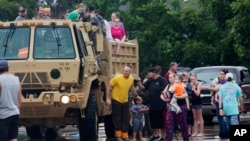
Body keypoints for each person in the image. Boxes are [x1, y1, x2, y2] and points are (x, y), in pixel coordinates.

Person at [105, 65, 141, 141]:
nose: (125, 72)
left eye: (127, 71)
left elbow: (131, 87)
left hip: (125, 100)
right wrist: (108, 98)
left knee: (125, 118)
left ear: (130, 72)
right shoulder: (117, 78)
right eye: (124, 71)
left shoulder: (131, 79)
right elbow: (108, 86)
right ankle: (118, 136)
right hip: (116, 100)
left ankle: (125, 135)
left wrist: (136, 96)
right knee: (117, 118)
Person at [136, 67, 167, 141]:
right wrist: (138, 81)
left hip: (161, 104)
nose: (148, 74)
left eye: (149, 73)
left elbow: (166, 90)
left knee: (161, 122)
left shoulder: (162, 80)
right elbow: (143, 88)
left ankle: (163, 136)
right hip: (152, 104)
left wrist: (166, 101)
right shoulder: (150, 81)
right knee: (153, 121)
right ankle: (155, 135)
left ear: (154, 73)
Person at [162, 73, 189, 141]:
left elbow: (186, 95)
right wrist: (164, 99)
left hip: (181, 106)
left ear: (175, 78)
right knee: (168, 124)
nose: (169, 79)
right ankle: (169, 138)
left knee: (183, 125)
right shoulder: (168, 86)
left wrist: (177, 97)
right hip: (171, 108)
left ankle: (186, 139)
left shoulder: (180, 85)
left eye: (171, 77)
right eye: (169, 77)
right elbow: (162, 94)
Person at [0, 60, 22, 141]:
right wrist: (17, 110)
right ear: (8, 68)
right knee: (13, 138)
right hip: (14, 113)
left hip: (2, 115)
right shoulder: (16, 79)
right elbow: (19, 100)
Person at [209, 69, 229, 139]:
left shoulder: (224, 82)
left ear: (226, 75)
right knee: (223, 119)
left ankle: (224, 134)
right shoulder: (222, 82)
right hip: (221, 102)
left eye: (222, 74)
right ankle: (223, 133)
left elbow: (213, 88)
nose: (220, 75)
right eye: (220, 73)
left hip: (222, 103)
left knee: (221, 119)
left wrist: (213, 87)